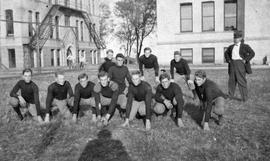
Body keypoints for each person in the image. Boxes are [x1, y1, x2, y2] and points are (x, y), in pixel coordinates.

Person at [224, 30, 255, 102]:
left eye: (237, 38)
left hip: (240, 64)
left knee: (241, 81)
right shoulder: (231, 47)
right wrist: (228, 60)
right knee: (231, 81)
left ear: (241, 38)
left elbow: (252, 53)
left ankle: (244, 98)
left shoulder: (245, 46)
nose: (235, 39)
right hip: (232, 64)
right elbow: (226, 53)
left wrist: (245, 60)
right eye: (234, 38)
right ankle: (230, 96)